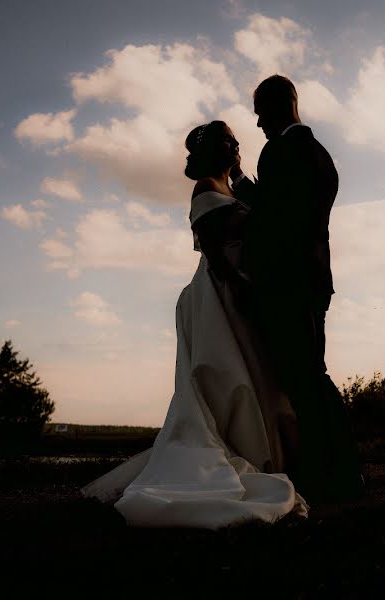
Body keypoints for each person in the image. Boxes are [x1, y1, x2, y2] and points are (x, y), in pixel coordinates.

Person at [81, 121, 305, 529]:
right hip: (221, 293)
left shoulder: (235, 189)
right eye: (229, 141)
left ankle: (263, 450)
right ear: (215, 149)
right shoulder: (204, 188)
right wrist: (246, 292)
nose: (237, 145)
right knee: (226, 375)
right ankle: (230, 457)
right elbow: (215, 251)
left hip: (242, 287)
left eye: (236, 141)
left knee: (254, 375)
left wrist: (242, 180)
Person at [229, 75, 363, 502]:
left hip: (287, 285)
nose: (258, 125)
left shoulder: (281, 151)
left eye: (260, 113)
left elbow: (271, 222)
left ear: (281, 105)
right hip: (313, 282)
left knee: (304, 379)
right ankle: (336, 469)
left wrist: (239, 190)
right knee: (310, 375)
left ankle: (334, 474)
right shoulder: (320, 155)